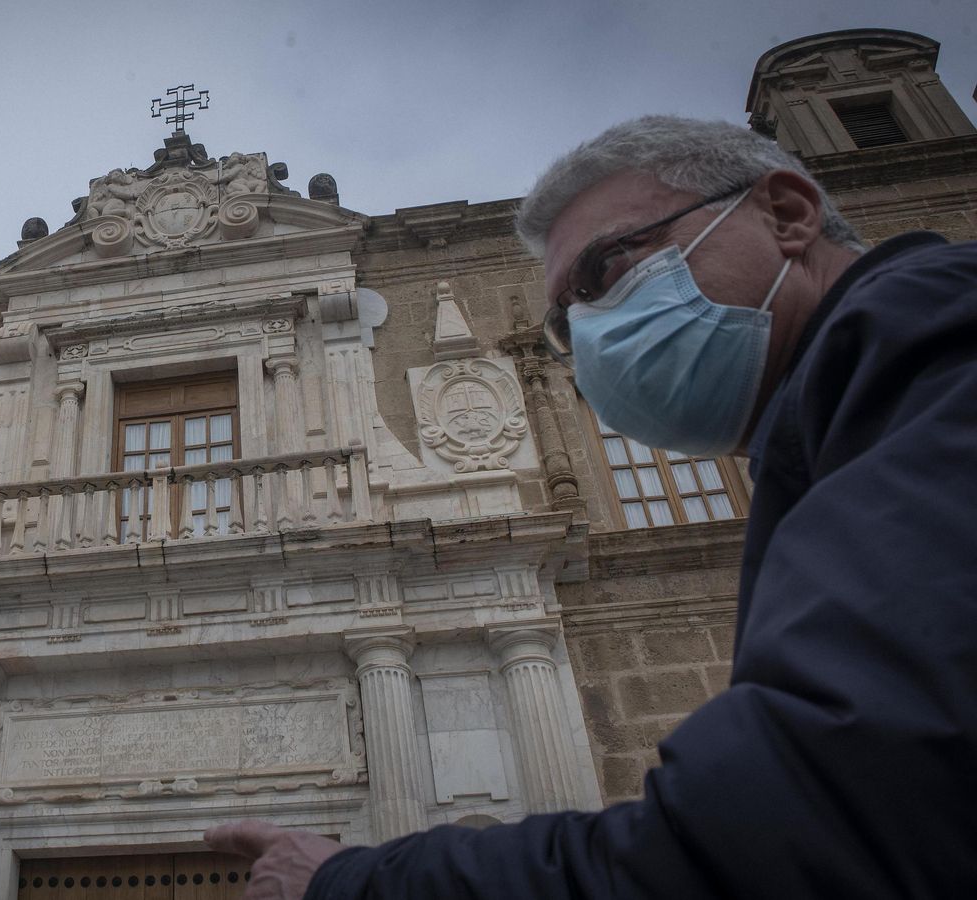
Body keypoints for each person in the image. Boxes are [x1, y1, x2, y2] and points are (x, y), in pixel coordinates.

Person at [205, 115, 977, 897]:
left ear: (786, 213)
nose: (593, 330)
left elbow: (791, 830)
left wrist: (352, 884)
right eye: (564, 323)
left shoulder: (938, 367)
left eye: (606, 269)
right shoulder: (858, 415)